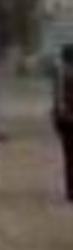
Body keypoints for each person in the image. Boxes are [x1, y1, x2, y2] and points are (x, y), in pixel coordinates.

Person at [53, 44, 73, 202]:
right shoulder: (62, 76)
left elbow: (58, 102)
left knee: (69, 156)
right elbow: (59, 101)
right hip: (67, 120)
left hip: (65, 120)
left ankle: (71, 190)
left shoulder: (61, 75)